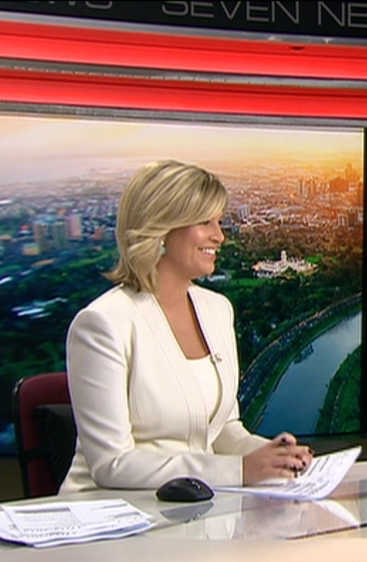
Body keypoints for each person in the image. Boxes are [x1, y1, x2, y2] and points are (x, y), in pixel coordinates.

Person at [59, 160, 312, 493]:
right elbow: (112, 464)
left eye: (219, 221)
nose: (219, 236)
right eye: (205, 222)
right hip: (114, 512)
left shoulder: (217, 310)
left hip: (193, 504)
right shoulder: (103, 324)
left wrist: (274, 457)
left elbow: (222, 431)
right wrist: (238, 471)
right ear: (161, 228)